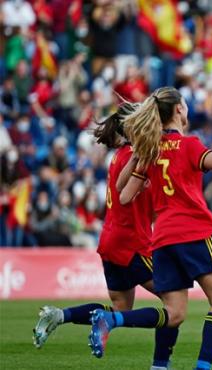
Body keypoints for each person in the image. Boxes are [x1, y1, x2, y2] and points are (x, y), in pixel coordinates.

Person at [88, 87, 212, 370]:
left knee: (173, 314)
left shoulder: (150, 150)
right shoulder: (189, 145)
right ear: (179, 111)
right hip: (195, 231)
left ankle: (116, 322)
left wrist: (139, 157)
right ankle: (202, 367)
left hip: (161, 239)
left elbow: (124, 195)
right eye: (185, 105)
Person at [32, 103, 179, 370]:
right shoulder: (136, 156)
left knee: (120, 310)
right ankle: (160, 365)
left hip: (111, 239)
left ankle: (59, 315)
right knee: (175, 304)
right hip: (132, 241)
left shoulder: (120, 155)